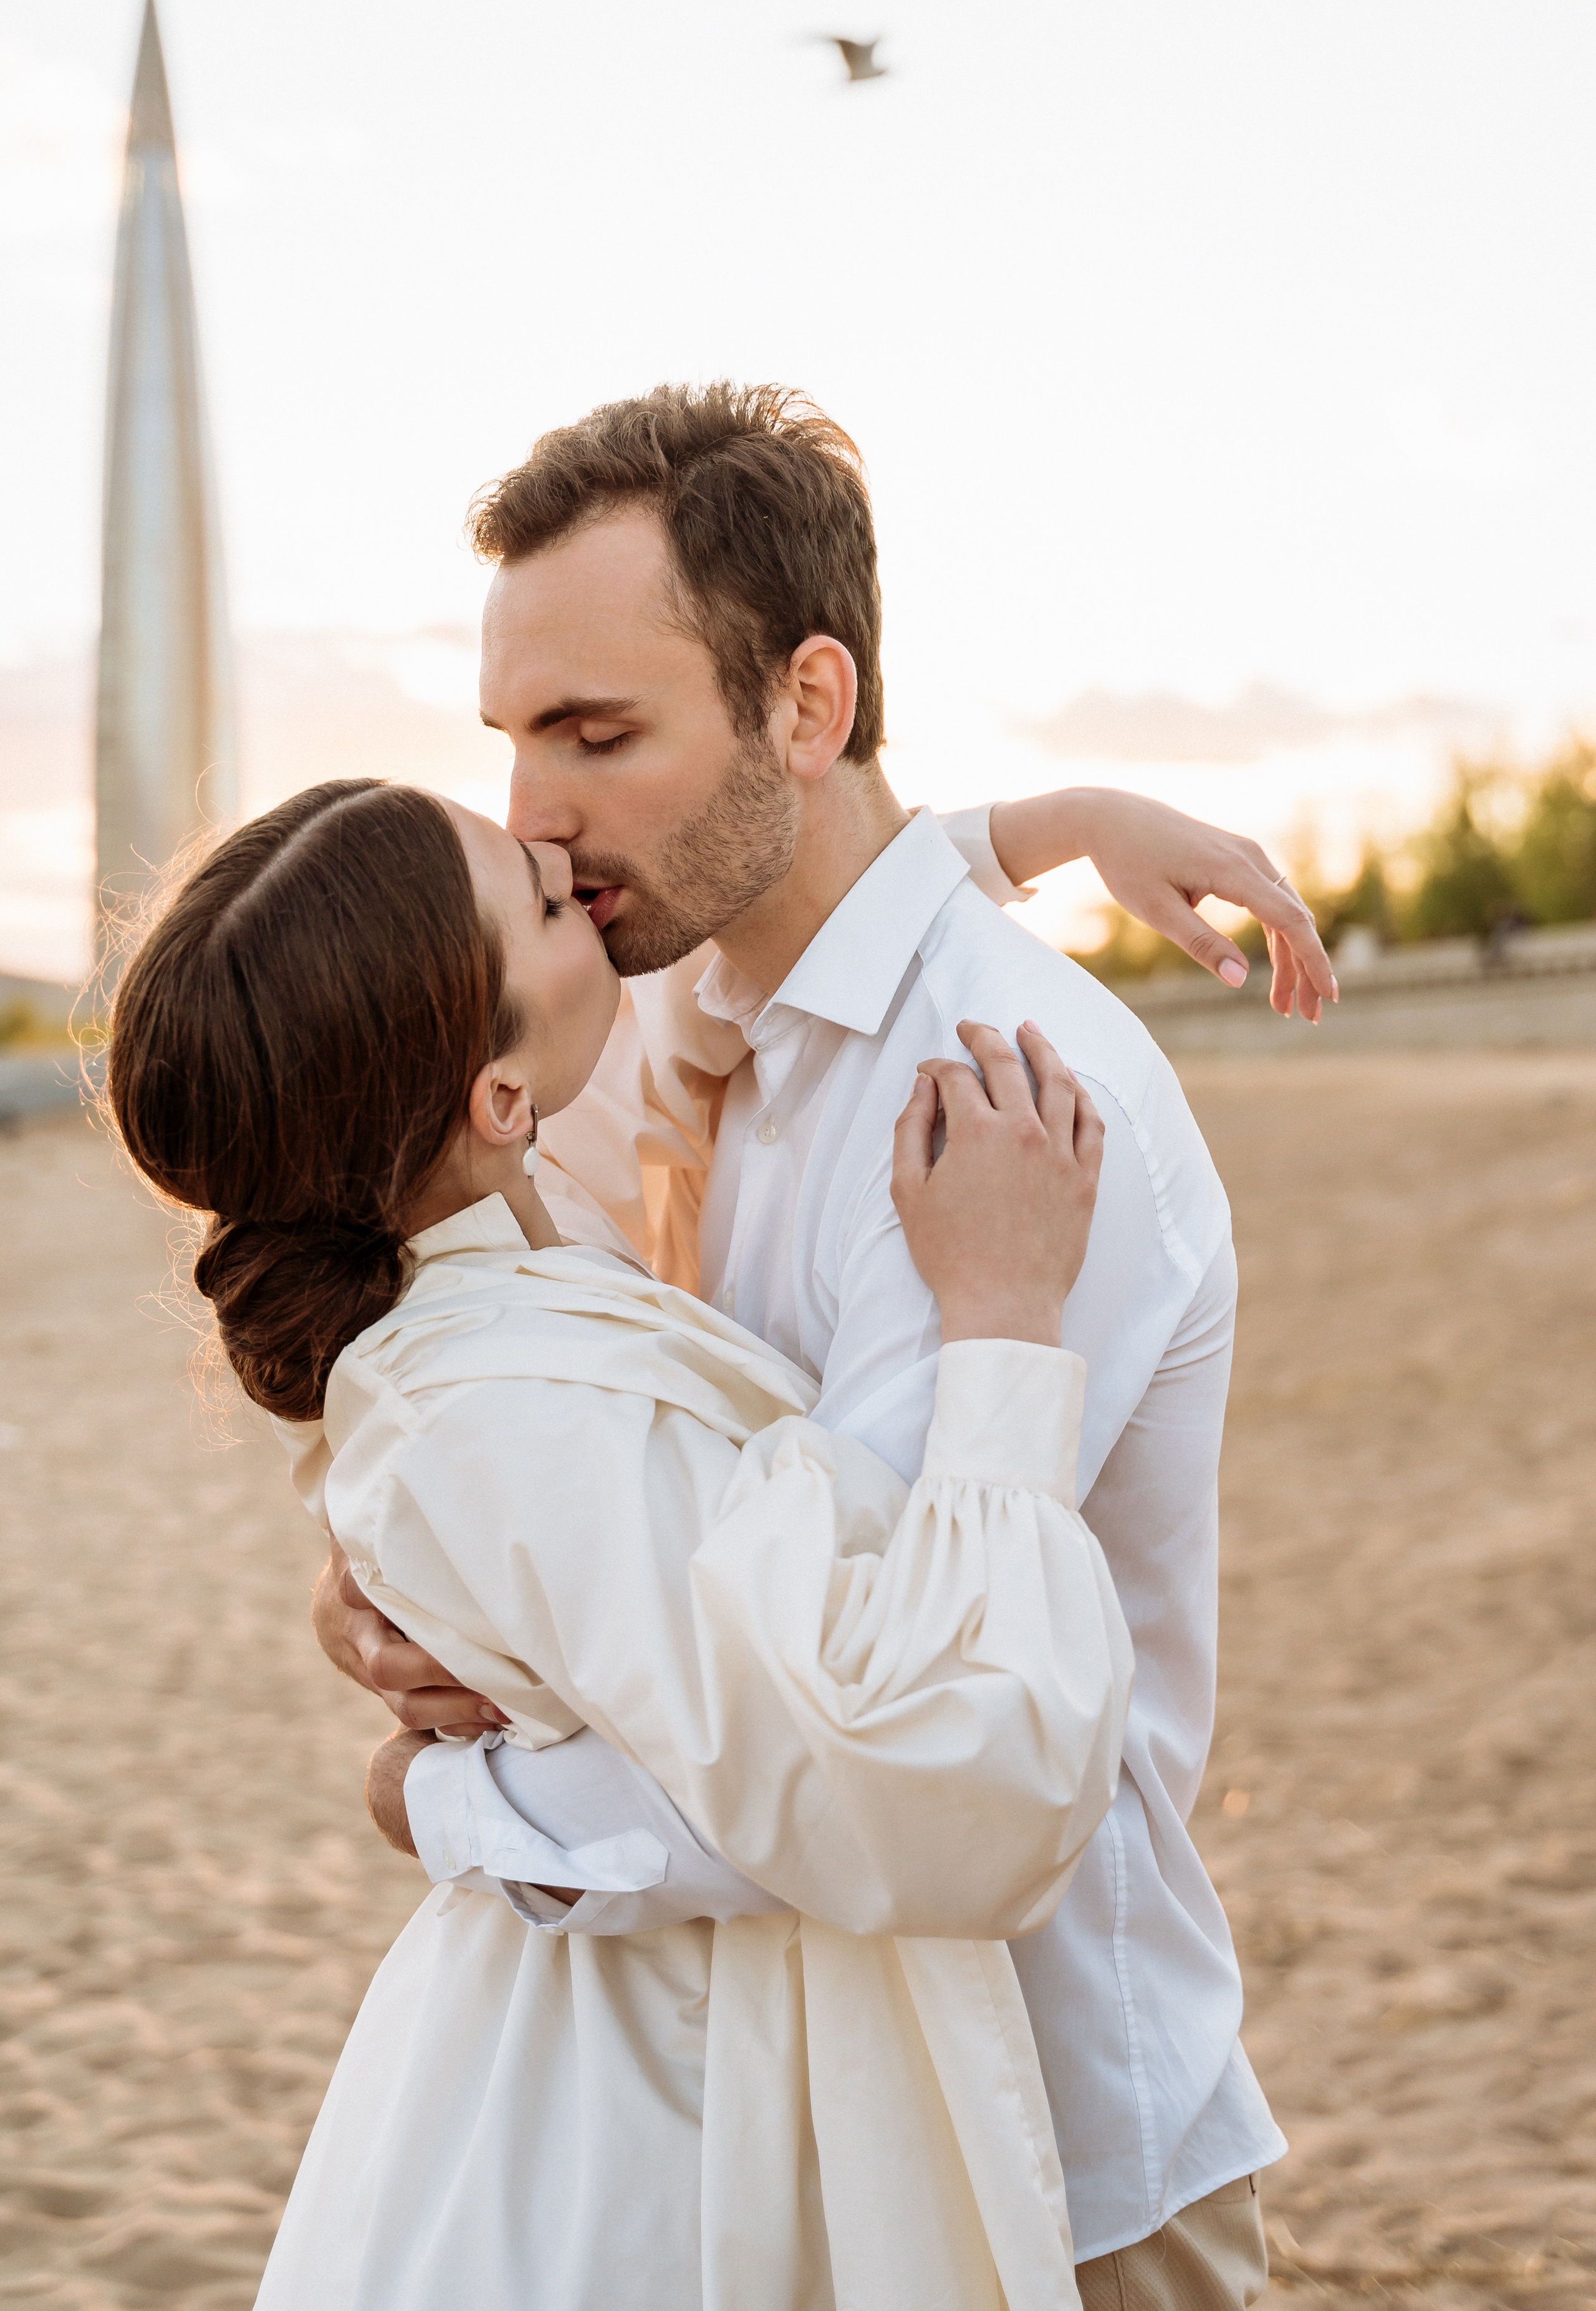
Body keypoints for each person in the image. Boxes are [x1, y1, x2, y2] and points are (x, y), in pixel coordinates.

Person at [319, 385, 1313, 2309]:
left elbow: (848, 1742)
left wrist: (440, 1800)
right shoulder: (633, 1025)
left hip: (1049, 2153)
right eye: (514, 738)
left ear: (805, 703)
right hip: (740, 2143)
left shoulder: (1015, 1109)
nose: (533, 814)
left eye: (597, 734)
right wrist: (403, 1587)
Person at [108, 774, 1135, 2310]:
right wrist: (1001, 1319)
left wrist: (1051, 833)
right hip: (664, 2128)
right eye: (537, 900)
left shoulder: (485, 1243)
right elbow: (941, 1785)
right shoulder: (503, 1411)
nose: (556, 849)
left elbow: (733, 981)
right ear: (498, 1098)